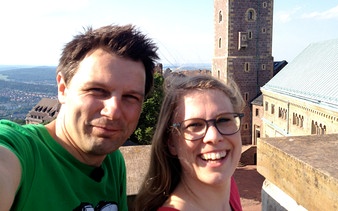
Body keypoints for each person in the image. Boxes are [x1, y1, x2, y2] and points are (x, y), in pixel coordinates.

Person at [0, 24, 159, 211]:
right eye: (97, 90)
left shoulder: (111, 162)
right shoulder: (24, 152)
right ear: (63, 88)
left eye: (131, 97)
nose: (113, 111)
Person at [135, 74, 245, 211]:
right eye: (194, 125)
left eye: (224, 120)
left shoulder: (229, 188)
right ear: (171, 143)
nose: (214, 136)